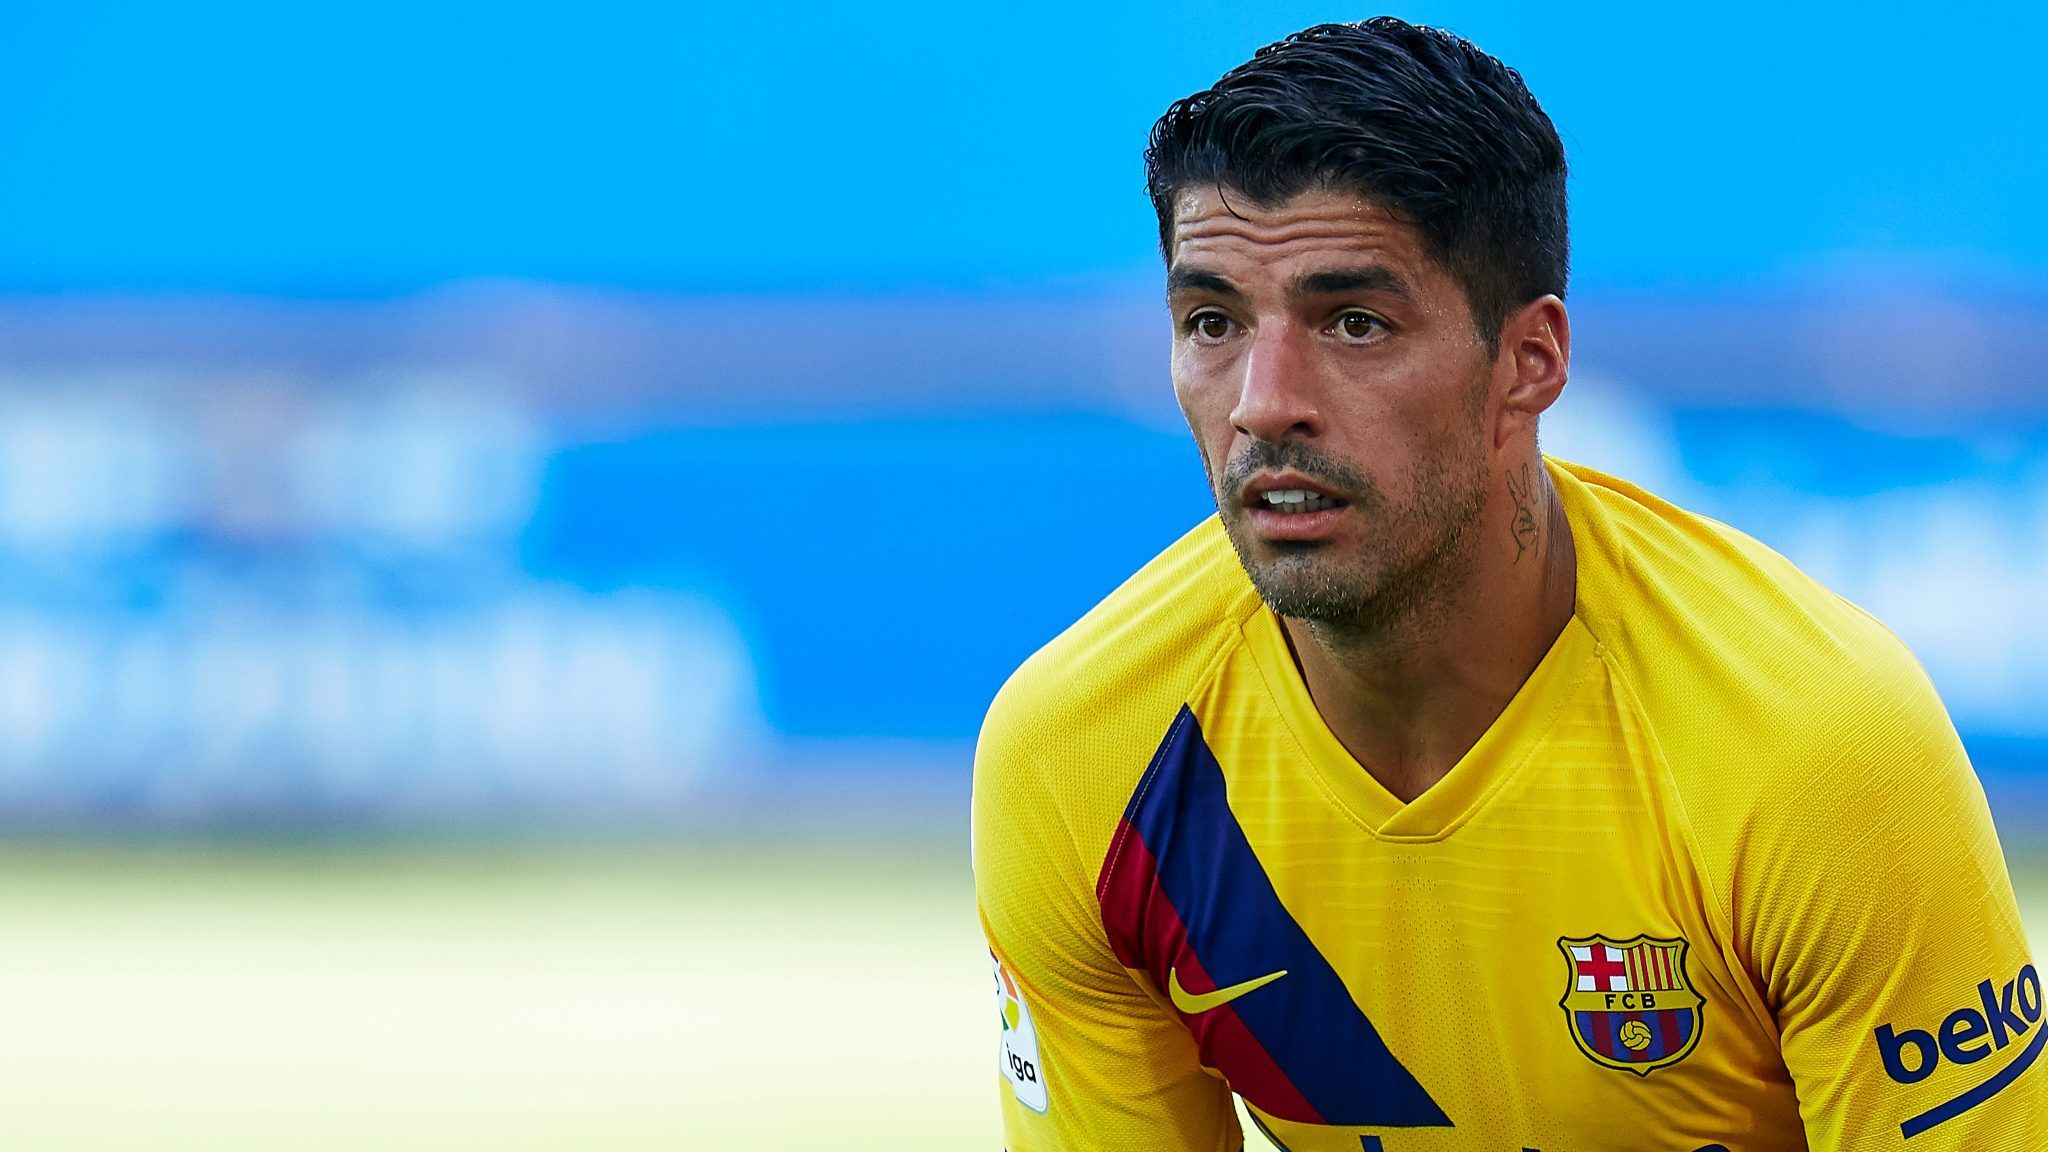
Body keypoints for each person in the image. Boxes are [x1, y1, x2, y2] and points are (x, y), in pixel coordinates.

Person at [972, 17, 2045, 1152]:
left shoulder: (1813, 747)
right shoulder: (1078, 762)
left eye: (1353, 323)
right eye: (1211, 322)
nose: (1261, 400)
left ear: (1528, 363)